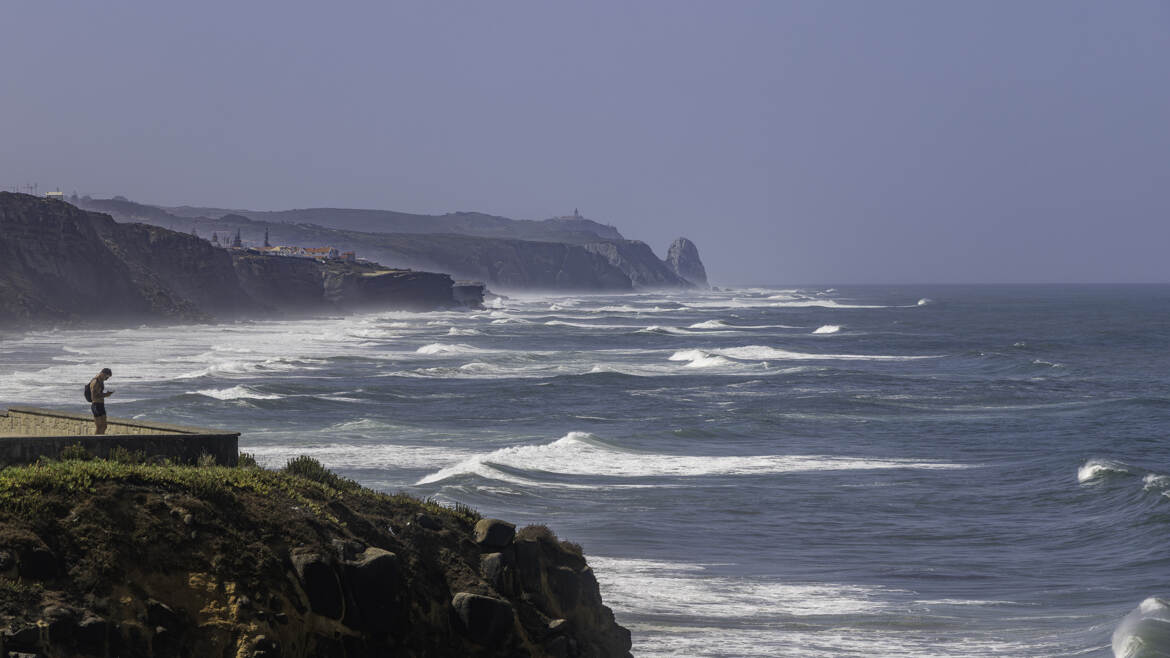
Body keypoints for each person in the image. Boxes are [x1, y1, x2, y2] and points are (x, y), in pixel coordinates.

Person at [88, 368, 115, 435]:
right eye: (107, 377)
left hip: (100, 405)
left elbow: (99, 393)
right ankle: (95, 441)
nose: (107, 379)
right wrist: (106, 395)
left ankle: (101, 440)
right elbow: (94, 396)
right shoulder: (95, 382)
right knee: (99, 426)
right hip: (96, 405)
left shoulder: (100, 381)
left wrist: (105, 394)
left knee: (104, 426)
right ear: (103, 374)